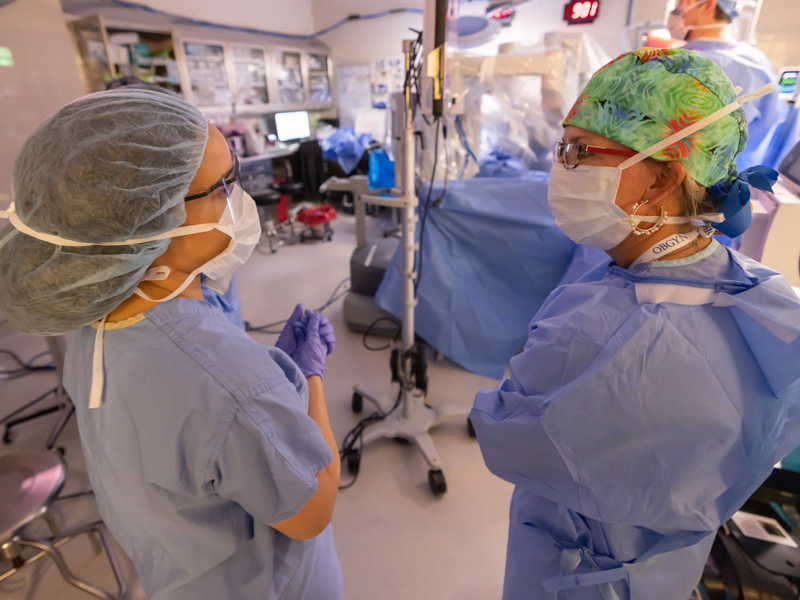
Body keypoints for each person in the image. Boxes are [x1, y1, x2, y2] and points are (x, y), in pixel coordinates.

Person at [470, 48, 800, 599]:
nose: (561, 169)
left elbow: (509, 437)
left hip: (582, 577)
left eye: (580, 152)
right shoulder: (753, 290)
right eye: (561, 148)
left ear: (660, 179)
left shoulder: (598, 335)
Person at [0, 89, 342, 600]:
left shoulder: (91, 320)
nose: (238, 200)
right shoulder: (230, 384)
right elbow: (312, 508)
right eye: (223, 185)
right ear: (147, 219)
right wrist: (308, 377)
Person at [669, 0, 782, 169]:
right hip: (732, 183)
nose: (676, 10)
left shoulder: (673, 61)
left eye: (681, 3)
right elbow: (766, 132)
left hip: (670, 181)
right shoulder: (758, 63)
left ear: (708, 4)